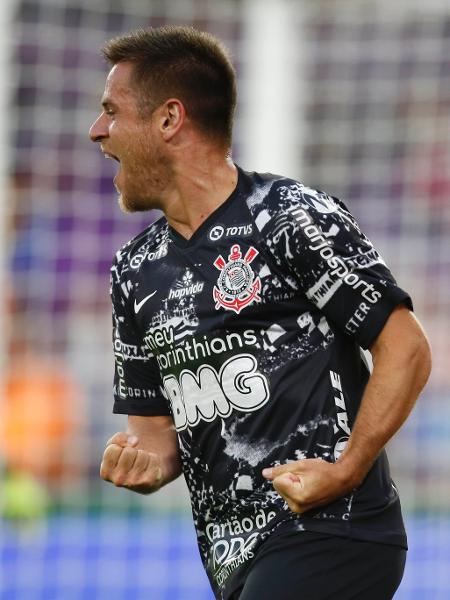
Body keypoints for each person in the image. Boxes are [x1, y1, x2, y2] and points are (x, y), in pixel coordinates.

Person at [90, 26, 431, 600]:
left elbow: (407, 347)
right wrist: (140, 462)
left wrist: (346, 469)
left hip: (334, 529)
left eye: (111, 112)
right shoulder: (134, 269)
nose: (96, 131)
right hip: (233, 560)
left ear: (169, 119)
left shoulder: (288, 217)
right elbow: (155, 439)